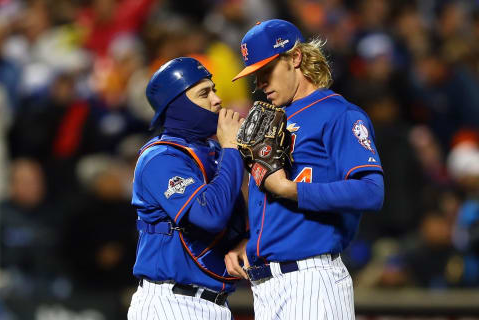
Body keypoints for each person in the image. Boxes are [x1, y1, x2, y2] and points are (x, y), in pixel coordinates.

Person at [226, 19, 385, 319]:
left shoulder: (338, 113)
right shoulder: (270, 121)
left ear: (295, 58)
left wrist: (289, 189)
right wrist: (248, 241)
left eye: (266, 71)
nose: (260, 84)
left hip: (312, 278)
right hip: (265, 285)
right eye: (255, 75)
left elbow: (371, 191)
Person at [128, 57, 247, 320]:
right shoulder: (160, 158)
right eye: (204, 93)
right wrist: (231, 149)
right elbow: (209, 215)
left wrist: (244, 241)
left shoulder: (213, 152)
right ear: (178, 106)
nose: (217, 99)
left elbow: (237, 218)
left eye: (213, 89)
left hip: (216, 303)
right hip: (170, 304)